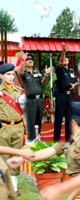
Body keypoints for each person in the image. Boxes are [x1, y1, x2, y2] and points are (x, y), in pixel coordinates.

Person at [7, 101, 80, 200]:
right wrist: (22, 159)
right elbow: (48, 151)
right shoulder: (69, 138)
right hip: (75, 187)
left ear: (72, 122)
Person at [0, 64, 25, 196]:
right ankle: (5, 186)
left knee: (16, 155)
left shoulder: (19, 90)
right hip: (4, 128)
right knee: (4, 157)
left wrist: (22, 103)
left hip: (18, 127)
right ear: (1, 76)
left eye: (12, 74)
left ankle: (14, 188)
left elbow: (24, 110)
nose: (10, 77)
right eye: (7, 74)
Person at [17, 52, 54, 142]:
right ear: (25, 62)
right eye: (28, 59)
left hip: (40, 100)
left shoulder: (37, 72)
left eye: (31, 59)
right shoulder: (24, 73)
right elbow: (20, 72)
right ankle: (31, 142)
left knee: (38, 122)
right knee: (31, 123)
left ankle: (38, 139)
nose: (30, 61)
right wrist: (22, 60)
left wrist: (46, 75)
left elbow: (42, 83)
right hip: (30, 101)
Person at [54, 43, 78, 142]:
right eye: (64, 58)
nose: (65, 59)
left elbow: (76, 81)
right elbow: (61, 62)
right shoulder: (60, 69)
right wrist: (63, 51)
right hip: (61, 95)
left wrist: (74, 85)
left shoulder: (71, 71)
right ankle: (56, 140)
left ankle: (68, 139)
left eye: (66, 57)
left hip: (69, 96)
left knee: (69, 119)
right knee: (59, 119)